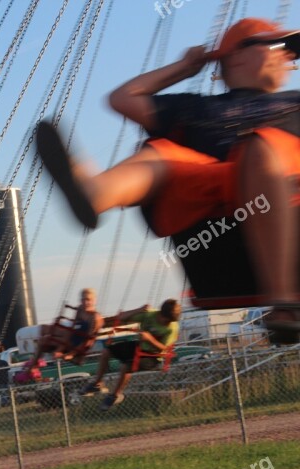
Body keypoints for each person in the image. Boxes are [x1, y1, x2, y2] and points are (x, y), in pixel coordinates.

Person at [36, 17, 300, 337]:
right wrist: (186, 68)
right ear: (238, 54)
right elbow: (123, 98)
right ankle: (94, 192)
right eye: (281, 47)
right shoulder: (196, 108)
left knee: (260, 150)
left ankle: (283, 300)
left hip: (282, 192)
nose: (290, 59)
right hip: (214, 202)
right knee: (161, 154)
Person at [79, 299, 181, 410]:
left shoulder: (172, 327)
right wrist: (139, 309)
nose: (168, 323)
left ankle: (115, 395)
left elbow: (165, 349)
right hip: (139, 346)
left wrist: (150, 339)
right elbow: (122, 317)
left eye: (171, 322)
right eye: (166, 321)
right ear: (160, 314)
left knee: (126, 366)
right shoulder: (149, 315)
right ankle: (97, 383)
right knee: (106, 352)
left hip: (154, 356)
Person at [32, 288, 104, 366]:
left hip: (78, 345)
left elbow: (88, 341)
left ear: (94, 301)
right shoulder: (80, 309)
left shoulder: (95, 318)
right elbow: (74, 326)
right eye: (83, 300)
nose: (85, 302)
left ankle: (60, 350)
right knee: (43, 335)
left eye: (88, 300)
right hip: (71, 338)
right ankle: (33, 366)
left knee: (63, 334)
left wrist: (72, 354)